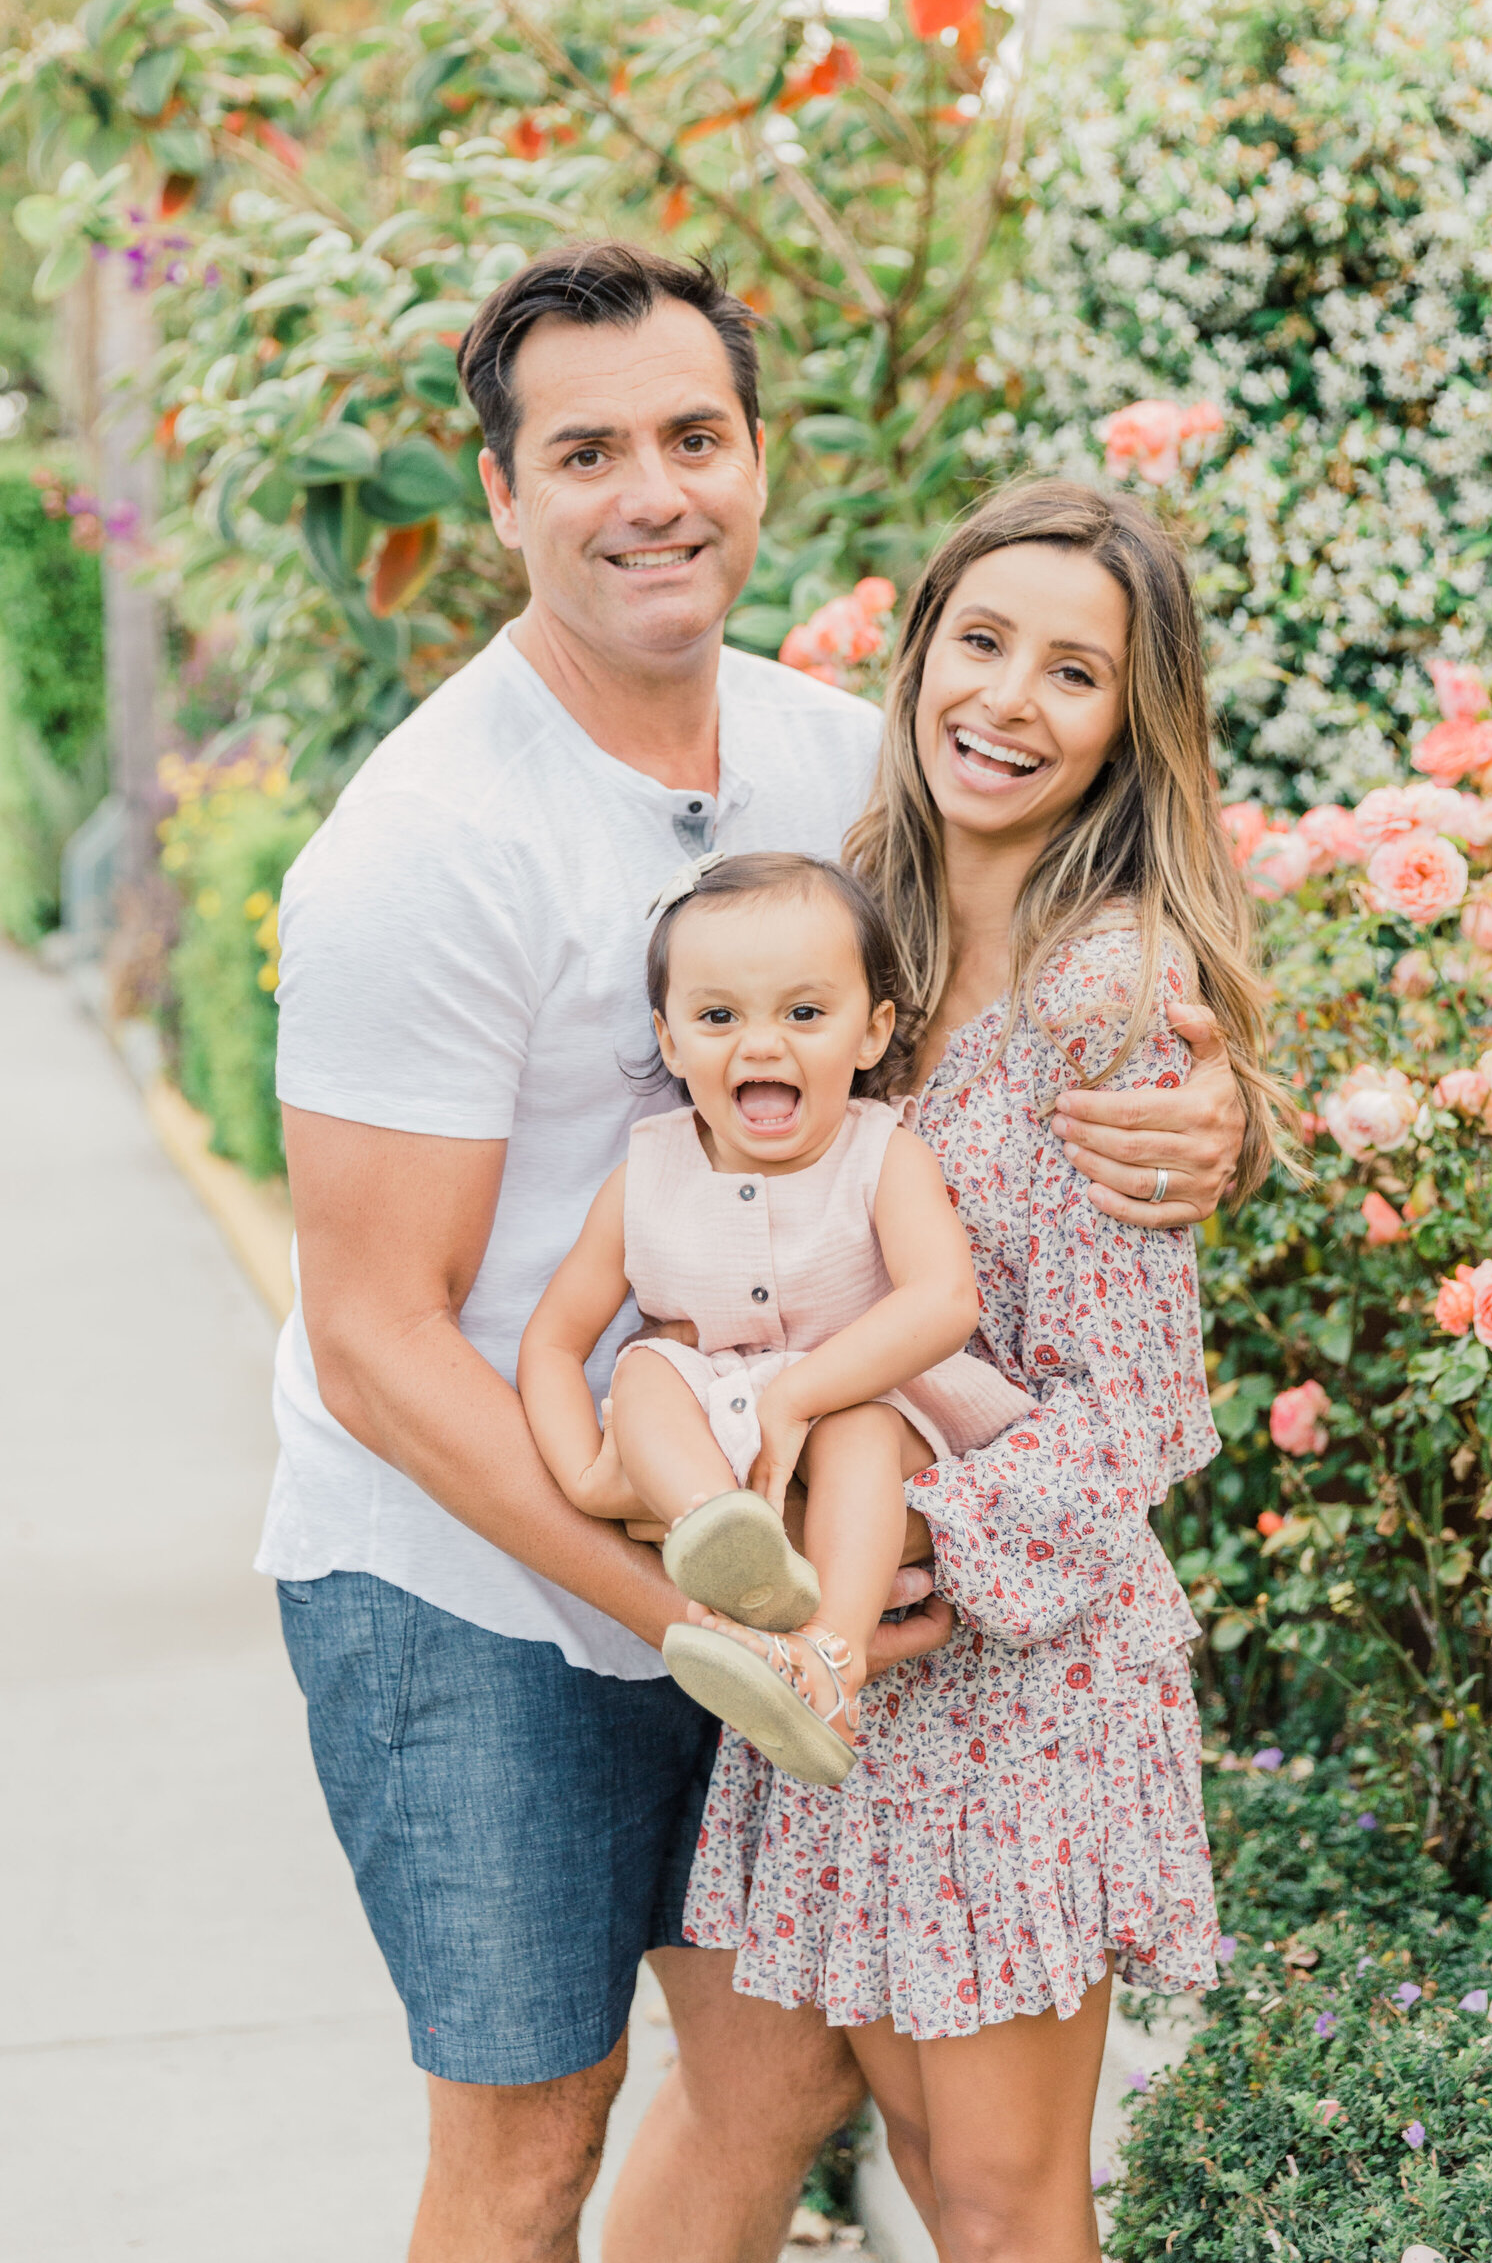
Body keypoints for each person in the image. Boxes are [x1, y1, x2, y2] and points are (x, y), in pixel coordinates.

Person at [256, 238, 1247, 2263]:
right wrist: (670, 1587)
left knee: (780, 2084)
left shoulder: (833, 771)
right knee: (531, 2147)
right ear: (505, 494)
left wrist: (1204, 1103)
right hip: (483, 1583)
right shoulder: (423, 843)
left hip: (806, 1561)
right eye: (590, 449)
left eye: (694, 435)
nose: (653, 492)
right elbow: (373, 1338)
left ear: (756, 460)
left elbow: (1033, 988)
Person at [681, 479, 1293, 2263]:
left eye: (1075, 672)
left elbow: (1139, 1411)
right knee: (937, 2179)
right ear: (922, 653)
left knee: (1016, 2199)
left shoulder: (1107, 994)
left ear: (1129, 726)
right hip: (847, 1666)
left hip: (1014, 1667)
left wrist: (911, 1552)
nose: (1010, 700)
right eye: (984, 642)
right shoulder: (855, 939)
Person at [519, 851, 1028, 1785]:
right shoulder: (646, 1181)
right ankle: (722, 1537)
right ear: (670, 1041)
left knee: (859, 1425)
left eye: (804, 1013)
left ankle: (831, 1660)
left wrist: (801, 1392)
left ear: (872, 1033)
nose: (760, 1045)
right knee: (644, 1372)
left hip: (872, 1402)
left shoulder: (883, 1153)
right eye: (718, 1017)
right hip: (718, 1427)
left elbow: (943, 1300)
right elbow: (554, 1341)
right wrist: (588, 1479)